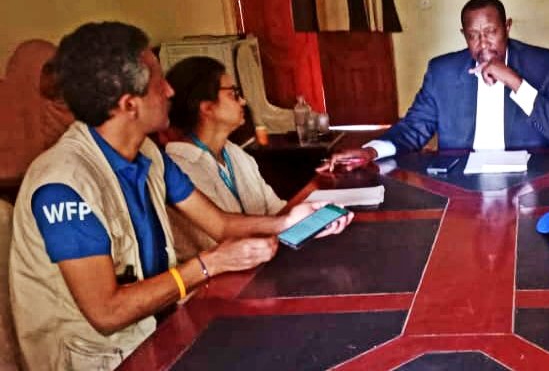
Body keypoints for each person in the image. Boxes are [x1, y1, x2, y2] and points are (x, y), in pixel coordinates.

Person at [9, 22, 352, 371]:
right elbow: (107, 313)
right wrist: (210, 264)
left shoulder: (148, 154)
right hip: (101, 360)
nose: (170, 91)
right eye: (159, 82)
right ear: (129, 104)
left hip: (155, 332)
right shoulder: (63, 185)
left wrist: (288, 220)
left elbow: (219, 224)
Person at [320, 0, 549, 172]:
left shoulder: (545, 64)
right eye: (473, 36)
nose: (483, 43)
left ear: (507, 27)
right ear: (464, 36)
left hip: (531, 181)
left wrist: (514, 80)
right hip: (462, 185)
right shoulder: (442, 72)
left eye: (491, 32)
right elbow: (413, 128)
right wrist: (371, 152)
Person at [164, 56, 286, 260]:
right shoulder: (180, 165)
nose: (243, 101)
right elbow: (219, 241)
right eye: (234, 94)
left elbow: (275, 209)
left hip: (262, 257)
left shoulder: (236, 153)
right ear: (207, 108)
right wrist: (284, 223)